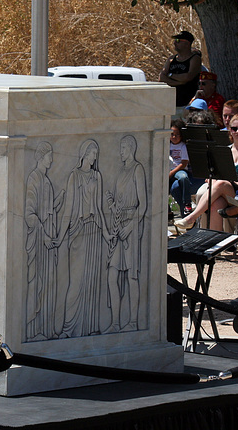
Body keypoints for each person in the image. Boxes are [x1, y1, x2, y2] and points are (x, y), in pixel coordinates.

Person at [53, 139, 110, 338]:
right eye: (93, 152)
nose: (95, 156)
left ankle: (90, 327)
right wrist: (60, 237)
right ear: (84, 153)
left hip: (94, 230)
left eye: (96, 153)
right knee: (76, 282)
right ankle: (69, 328)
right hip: (77, 231)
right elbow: (68, 209)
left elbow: (100, 208)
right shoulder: (74, 176)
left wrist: (106, 232)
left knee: (92, 281)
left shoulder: (97, 176)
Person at [174, 115, 238, 232]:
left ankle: (192, 217)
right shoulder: (225, 150)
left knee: (222, 183)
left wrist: (237, 184)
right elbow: (216, 172)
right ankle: (215, 245)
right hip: (224, 193)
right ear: (230, 131)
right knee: (215, 206)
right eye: (234, 129)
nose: (237, 132)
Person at [106, 135, 147, 332]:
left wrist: (129, 228)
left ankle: (132, 322)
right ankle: (114, 323)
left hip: (132, 227)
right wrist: (112, 205)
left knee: (132, 276)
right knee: (112, 275)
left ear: (130, 148)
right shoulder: (121, 171)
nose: (120, 151)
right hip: (118, 225)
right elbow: (119, 204)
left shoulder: (137, 169)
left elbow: (143, 205)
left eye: (123, 147)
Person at [24, 141, 63, 341]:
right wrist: (44, 235)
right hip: (39, 244)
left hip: (48, 244)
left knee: (49, 286)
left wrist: (58, 203)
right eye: (49, 155)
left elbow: (47, 211)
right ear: (41, 156)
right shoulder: (34, 179)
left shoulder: (46, 181)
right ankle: (33, 331)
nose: (52, 159)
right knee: (37, 286)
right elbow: (30, 214)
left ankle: (46, 330)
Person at [159, 31, 202, 108]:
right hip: (170, 102)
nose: (175, 43)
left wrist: (170, 75)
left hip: (187, 103)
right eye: (175, 41)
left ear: (187, 43)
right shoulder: (171, 59)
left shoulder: (195, 59)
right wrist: (178, 82)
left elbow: (188, 77)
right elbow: (161, 78)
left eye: (178, 41)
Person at [169, 119, 194, 216]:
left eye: (177, 134)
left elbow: (183, 163)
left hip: (179, 170)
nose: (174, 137)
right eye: (172, 134)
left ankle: (187, 202)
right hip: (169, 169)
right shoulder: (167, 145)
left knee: (183, 178)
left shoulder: (183, 146)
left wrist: (171, 173)